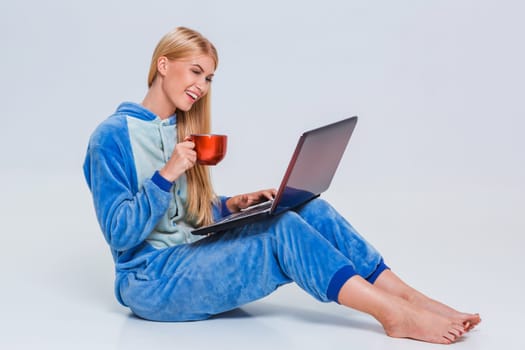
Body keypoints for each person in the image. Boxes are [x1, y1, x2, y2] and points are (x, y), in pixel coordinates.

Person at [83, 26, 481, 344]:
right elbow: (121, 233)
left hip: (192, 255)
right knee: (283, 231)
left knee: (309, 209)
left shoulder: (180, 127)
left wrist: (232, 205)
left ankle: (410, 296)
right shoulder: (111, 137)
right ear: (164, 64)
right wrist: (168, 172)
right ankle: (394, 315)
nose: (202, 86)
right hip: (151, 280)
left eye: (209, 77)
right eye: (195, 71)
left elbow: (181, 214)